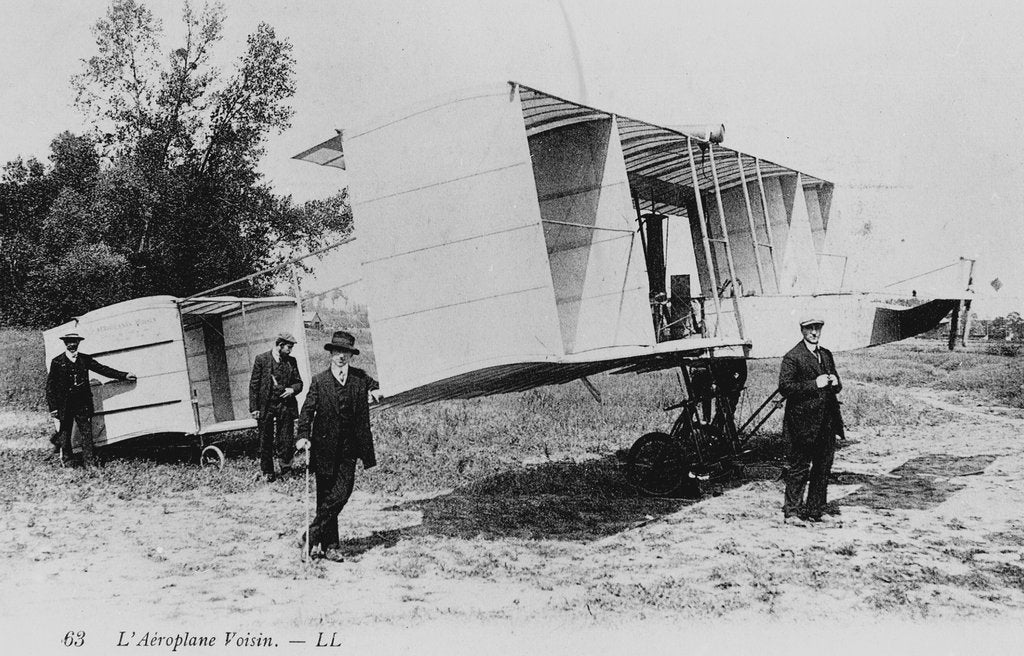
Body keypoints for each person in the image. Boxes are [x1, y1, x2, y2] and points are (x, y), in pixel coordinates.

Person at [296, 330, 380, 561]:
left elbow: (376, 385)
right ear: (331, 353)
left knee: (342, 493)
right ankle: (330, 546)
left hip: (349, 448)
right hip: (324, 448)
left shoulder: (360, 378)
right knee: (325, 497)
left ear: (351, 355)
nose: (341, 356)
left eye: (345, 352)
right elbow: (307, 411)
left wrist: (375, 390)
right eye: (337, 352)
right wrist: (303, 435)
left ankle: (310, 535)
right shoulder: (320, 380)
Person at [779, 316, 844, 525]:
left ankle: (816, 509)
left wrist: (835, 382)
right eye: (810, 329)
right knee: (799, 468)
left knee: (822, 468)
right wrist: (814, 383)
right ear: (802, 331)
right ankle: (792, 513)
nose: (814, 332)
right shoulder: (793, 357)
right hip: (802, 424)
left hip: (826, 422)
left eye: (817, 328)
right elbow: (786, 387)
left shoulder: (825, 355)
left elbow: (837, 386)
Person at [46, 332, 136, 467]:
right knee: (65, 433)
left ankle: (89, 463)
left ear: (78, 343)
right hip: (64, 404)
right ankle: (68, 461)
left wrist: (124, 375)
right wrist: (53, 408)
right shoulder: (57, 361)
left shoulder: (85, 359)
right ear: (65, 344)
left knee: (87, 433)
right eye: (69, 342)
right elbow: (50, 387)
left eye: (74, 342)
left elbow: (103, 369)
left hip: (82, 403)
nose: (72, 344)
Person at [249, 333, 304, 481]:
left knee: (286, 440)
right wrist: (254, 408)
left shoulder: (291, 361)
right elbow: (254, 385)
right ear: (280, 345)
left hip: (285, 407)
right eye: (289, 347)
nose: (290, 350)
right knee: (265, 440)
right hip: (266, 406)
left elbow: (299, 383)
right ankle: (267, 472)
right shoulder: (261, 359)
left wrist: (292, 390)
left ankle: (286, 472)